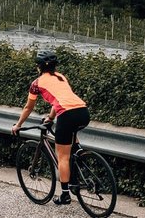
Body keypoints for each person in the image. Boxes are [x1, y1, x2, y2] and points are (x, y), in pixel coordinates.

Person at [11, 50, 90, 205]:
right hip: (83, 112)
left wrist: (18, 125)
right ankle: (80, 154)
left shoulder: (36, 83)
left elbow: (28, 107)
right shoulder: (61, 77)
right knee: (71, 143)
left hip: (66, 115)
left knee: (62, 156)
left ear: (39, 67)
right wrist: (50, 118)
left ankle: (65, 194)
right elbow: (61, 99)